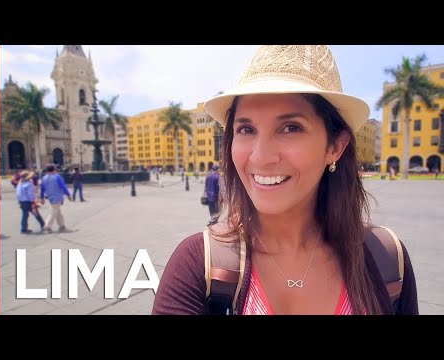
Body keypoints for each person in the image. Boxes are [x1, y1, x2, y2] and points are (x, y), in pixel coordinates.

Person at [152, 45, 418, 315]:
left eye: (291, 128)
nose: (261, 156)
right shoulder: (198, 267)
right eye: (246, 129)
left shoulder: (386, 260)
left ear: (335, 147)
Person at [40, 164, 72, 233]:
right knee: (54, 211)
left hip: (50, 197)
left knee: (57, 211)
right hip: (57, 196)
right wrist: (68, 195)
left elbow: (42, 189)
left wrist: (42, 198)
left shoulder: (44, 178)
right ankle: (47, 226)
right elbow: (63, 186)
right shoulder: (57, 176)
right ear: (54, 170)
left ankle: (61, 225)